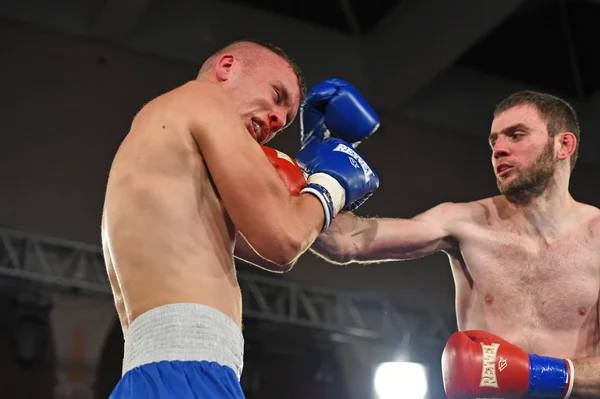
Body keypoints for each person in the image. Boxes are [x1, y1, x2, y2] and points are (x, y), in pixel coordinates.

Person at [101, 39, 380, 398]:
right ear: (227, 67)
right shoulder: (204, 98)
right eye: (277, 95)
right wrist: (331, 182)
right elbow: (283, 239)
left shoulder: (169, 156)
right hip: (187, 373)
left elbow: (302, 245)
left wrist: (307, 183)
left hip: (155, 376)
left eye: (287, 119)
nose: (279, 119)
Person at [308, 91, 600, 398]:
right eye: (494, 142)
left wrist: (535, 374)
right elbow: (348, 240)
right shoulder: (464, 223)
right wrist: (310, 180)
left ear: (563, 145)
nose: (499, 149)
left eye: (516, 135)